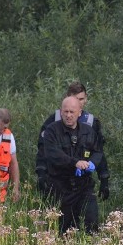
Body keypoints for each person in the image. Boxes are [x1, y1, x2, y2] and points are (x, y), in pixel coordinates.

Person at [36, 82, 110, 201]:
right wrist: (41, 174)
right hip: (58, 180)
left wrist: (104, 178)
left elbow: (98, 151)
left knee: (89, 217)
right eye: (75, 98)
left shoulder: (91, 123)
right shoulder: (53, 121)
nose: (78, 102)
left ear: (85, 99)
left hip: (82, 182)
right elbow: (43, 150)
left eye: (81, 99)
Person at [42, 96, 104, 234]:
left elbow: (98, 151)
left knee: (91, 224)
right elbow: (53, 154)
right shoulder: (52, 131)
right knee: (62, 230)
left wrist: (91, 164)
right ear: (61, 111)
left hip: (84, 186)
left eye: (72, 112)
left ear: (79, 113)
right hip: (61, 188)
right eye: (66, 112)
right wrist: (74, 163)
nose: (68, 115)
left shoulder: (88, 131)